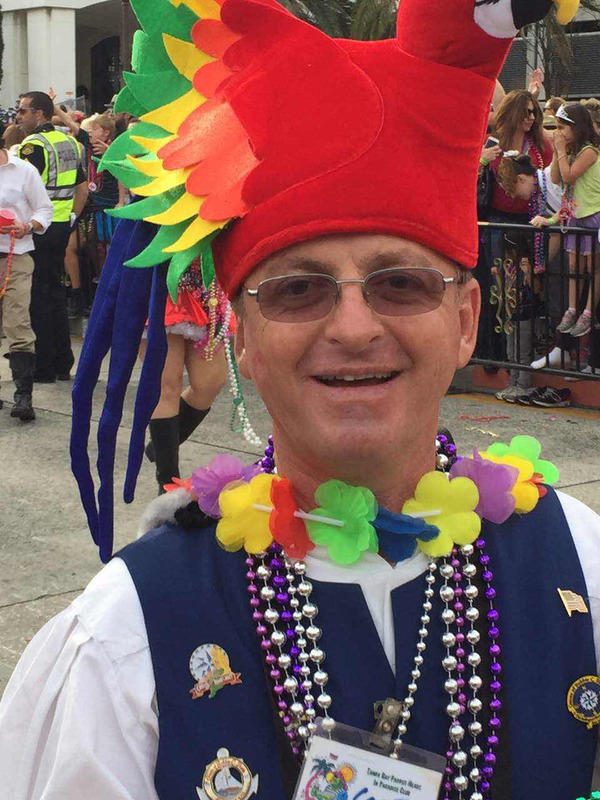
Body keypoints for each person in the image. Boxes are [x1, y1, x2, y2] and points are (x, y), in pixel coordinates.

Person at [1, 3, 597, 800]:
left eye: (401, 283)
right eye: (297, 290)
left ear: (464, 322)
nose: (353, 327)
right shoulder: (123, 639)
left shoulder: (581, 565)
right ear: (242, 335)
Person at [15, 91, 88, 382]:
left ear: (40, 114)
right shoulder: (68, 141)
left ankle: (43, 367)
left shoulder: (32, 146)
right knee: (56, 292)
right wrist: (71, 219)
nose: (18, 116)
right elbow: (82, 188)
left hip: (37, 228)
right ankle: (62, 362)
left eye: (23, 111)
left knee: (38, 297)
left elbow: (22, 192)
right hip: (61, 225)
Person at [140, 261, 230, 493]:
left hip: (203, 287)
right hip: (157, 278)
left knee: (211, 381)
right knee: (166, 385)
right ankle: (168, 485)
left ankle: (161, 446)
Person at [531, 103, 600, 339]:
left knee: (592, 268)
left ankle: (587, 312)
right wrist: (558, 151)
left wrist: (561, 150)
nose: (558, 132)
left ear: (576, 127)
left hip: (593, 215)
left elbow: (570, 176)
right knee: (573, 267)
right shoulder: (569, 152)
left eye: (562, 127)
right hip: (575, 215)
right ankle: (571, 310)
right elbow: (556, 178)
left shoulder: (589, 151)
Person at [0, 123, 53, 420]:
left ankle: (23, 396)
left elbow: (45, 209)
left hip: (16, 256)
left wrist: (28, 226)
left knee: (17, 321)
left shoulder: (23, 170)